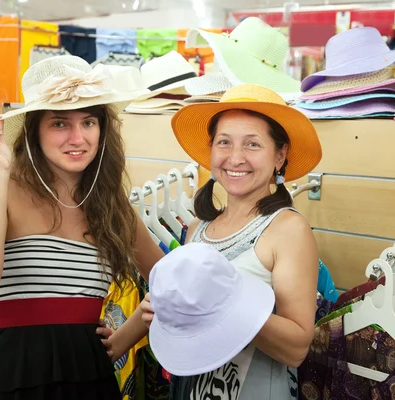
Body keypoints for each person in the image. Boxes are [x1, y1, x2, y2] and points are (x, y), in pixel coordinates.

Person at [0, 55, 164, 399]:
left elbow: (172, 280)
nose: (78, 138)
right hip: (11, 374)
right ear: (35, 130)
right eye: (60, 124)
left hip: (89, 374)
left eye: (89, 122)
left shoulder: (111, 205)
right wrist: (0, 172)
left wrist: (125, 336)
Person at [138, 83, 323, 399]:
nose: (235, 157)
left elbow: (296, 348)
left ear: (279, 157)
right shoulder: (200, 224)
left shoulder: (288, 229)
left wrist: (224, 305)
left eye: (252, 144)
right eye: (224, 142)